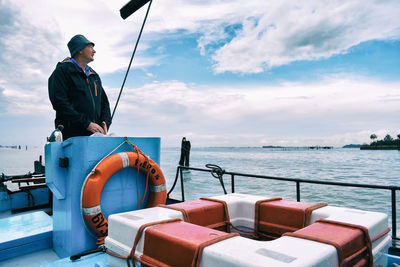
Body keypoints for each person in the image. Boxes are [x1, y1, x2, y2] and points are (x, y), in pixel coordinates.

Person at [48, 34, 111, 140]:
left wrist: (105, 122)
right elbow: (60, 103)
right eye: (90, 47)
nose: (94, 51)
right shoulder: (62, 71)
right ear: (80, 50)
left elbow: (104, 103)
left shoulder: (94, 76)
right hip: (71, 136)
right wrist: (86, 124)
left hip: (95, 138)